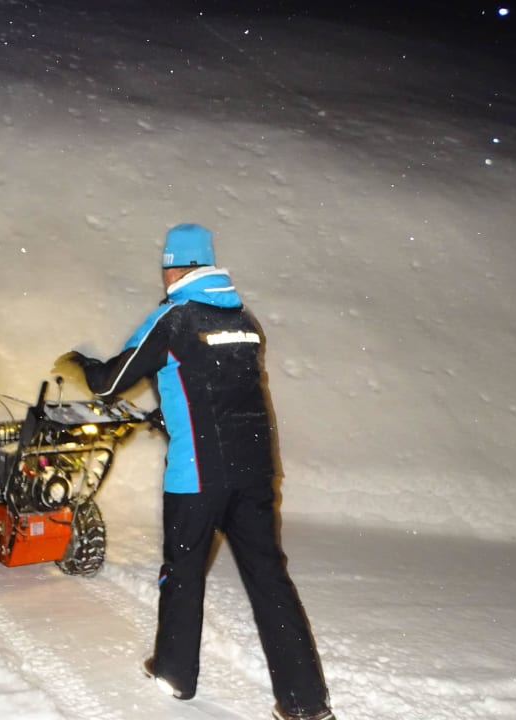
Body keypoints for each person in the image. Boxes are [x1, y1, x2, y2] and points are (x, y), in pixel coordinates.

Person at [60, 223, 335, 720]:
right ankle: (305, 703)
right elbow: (222, 389)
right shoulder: (245, 319)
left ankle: (175, 673)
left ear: (173, 266)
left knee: (182, 574)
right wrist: (170, 410)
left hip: (198, 477)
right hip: (256, 471)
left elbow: (110, 382)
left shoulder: (175, 319)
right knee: (270, 580)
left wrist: (78, 359)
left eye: (164, 265)